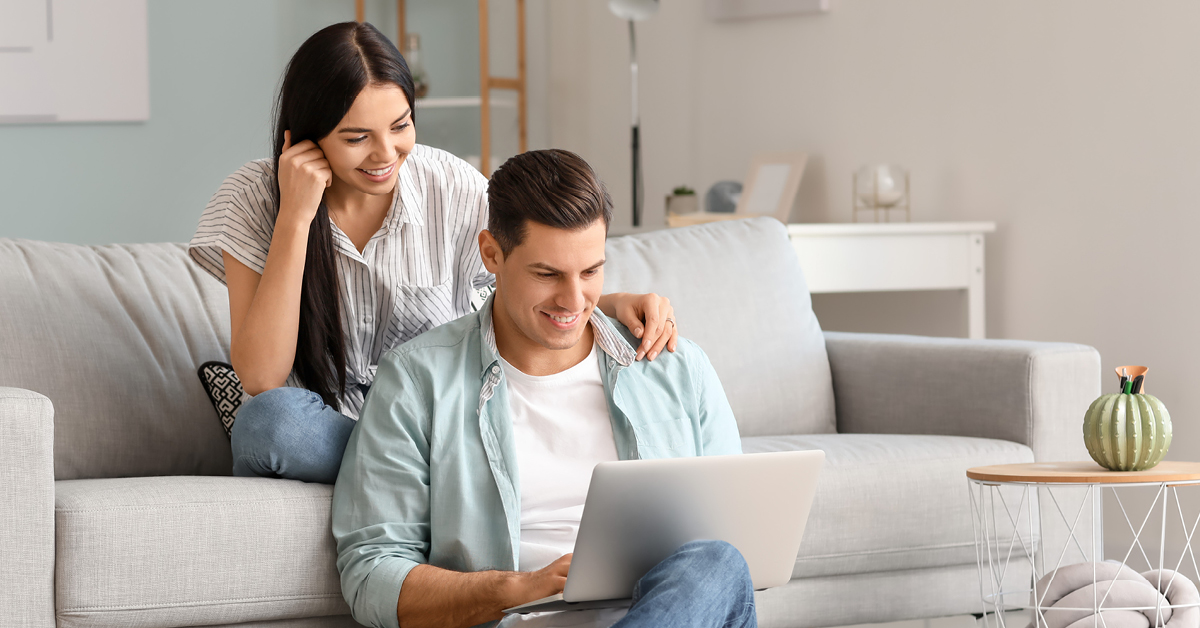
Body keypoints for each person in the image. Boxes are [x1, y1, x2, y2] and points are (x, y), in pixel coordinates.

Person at [187, 22, 678, 484]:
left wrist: (608, 303)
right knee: (271, 424)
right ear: (307, 138)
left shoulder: (452, 185)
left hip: (431, 420)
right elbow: (260, 375)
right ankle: (434, 477)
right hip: (336, 434)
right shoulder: (253, 197)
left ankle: (411, 474)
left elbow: (518, 286)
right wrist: (295, 215)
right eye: (357, 137)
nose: (385, 154)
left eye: (400, 126)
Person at [333, 149, 754, 628]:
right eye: (547, 274)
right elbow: (371, 576)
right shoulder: (416, 381)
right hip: (512, 620)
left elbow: (734, 543)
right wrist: (516, 588)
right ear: (491, 253)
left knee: (718, 564)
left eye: (591, 272)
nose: (574, 301)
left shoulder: (673, 367)